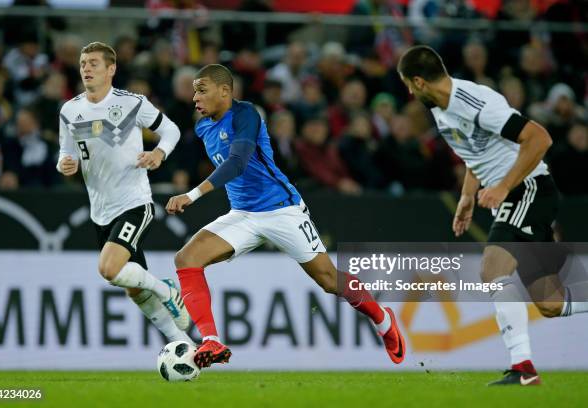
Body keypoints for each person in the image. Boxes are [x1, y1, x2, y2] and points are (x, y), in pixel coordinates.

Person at [165, 64, 405, 368]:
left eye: (202, 89)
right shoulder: (202, 126)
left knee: (329, 281)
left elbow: (237, 163)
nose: (194, 96)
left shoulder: (246, 114)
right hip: (243, 214)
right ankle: (211, 340)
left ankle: (383, 320)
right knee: (186, 259)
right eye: (194, 90)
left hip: (282, 210)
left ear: (225, 91)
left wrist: (192, 194)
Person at [397, 45, 588, 386]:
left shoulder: (472, 101)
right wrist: (467, 196)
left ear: (419, 81)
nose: (410, 94)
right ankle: (523, 368)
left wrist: (502, 187)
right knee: (551, 304)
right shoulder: (441, 111)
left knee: (492, 267)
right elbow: (477, 153)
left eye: (409, 86)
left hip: (528, 188)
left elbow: (538, 138)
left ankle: (523, 368)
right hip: (514, 194)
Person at [57, 41, 191, 345]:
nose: (86, 68)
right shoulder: (70, 110)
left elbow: (171, 130)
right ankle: (182, 343)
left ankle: (167, 289)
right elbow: (66, 154)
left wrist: (159, 153)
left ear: (111, 69)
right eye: (83, 63)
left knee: (109, 268)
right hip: (99, 210)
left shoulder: (132, 103)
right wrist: (64, 165)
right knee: (133, 286)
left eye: (93, 63)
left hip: (133, 202)